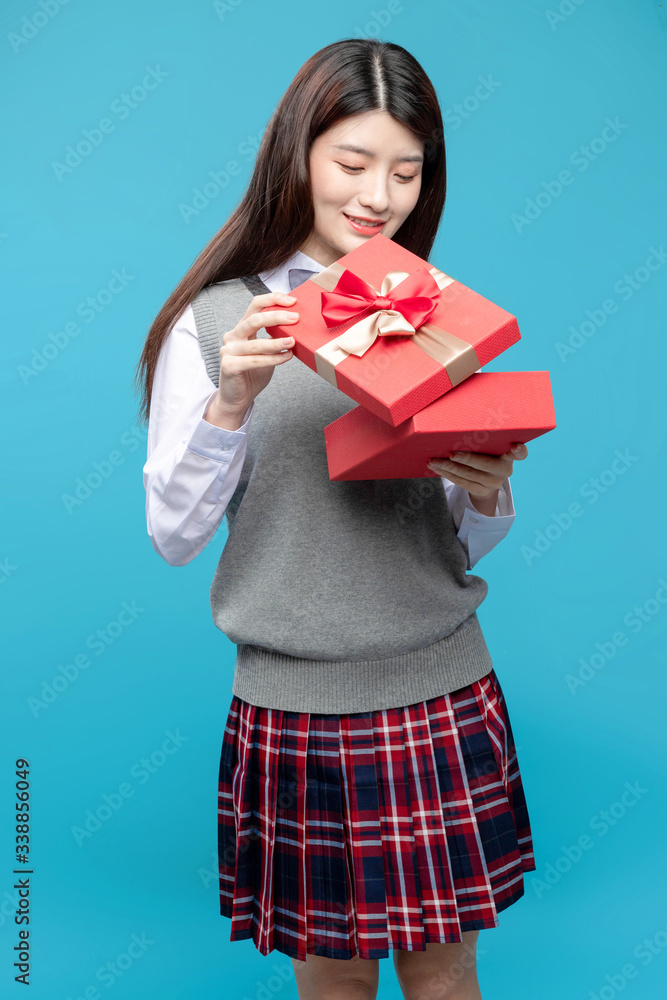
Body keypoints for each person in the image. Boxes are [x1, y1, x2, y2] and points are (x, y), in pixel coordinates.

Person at [135, 37, 536, 1000]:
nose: (378, 195)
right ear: (298, 155)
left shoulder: (433, 314)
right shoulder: (215, 324)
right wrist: (230, 399)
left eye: (406, 171)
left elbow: (454, 536)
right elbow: (175, 536)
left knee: (445, 973)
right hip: (296, 701)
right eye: (351, 163)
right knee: (334, 979)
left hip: (439, 680)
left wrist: (486, 487)